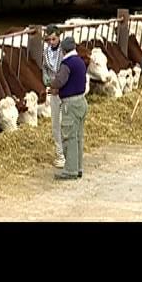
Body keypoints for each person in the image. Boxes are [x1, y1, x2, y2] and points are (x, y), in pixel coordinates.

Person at [49, 36, 88, 180]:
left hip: (70, 104)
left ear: (63, 50)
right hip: (82, 101)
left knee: (69, 137)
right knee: (78, 137)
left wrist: (50, 84)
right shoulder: (80, 62)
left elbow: (60, 81)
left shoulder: (67, 63)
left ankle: (70, 170)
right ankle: (78, 167)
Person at [42, 24, 65, 168]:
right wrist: (46, 79)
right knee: (56, 122)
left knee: (67, 121)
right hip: (53, 89)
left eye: (54, 39)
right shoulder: (45, 52)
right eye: (49, 40)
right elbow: (44, 67)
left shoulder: (64, 52)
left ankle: (69, 152)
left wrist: (59, 84)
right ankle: (60, 153)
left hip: (65, 90)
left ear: (59, 37)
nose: (51, 42)